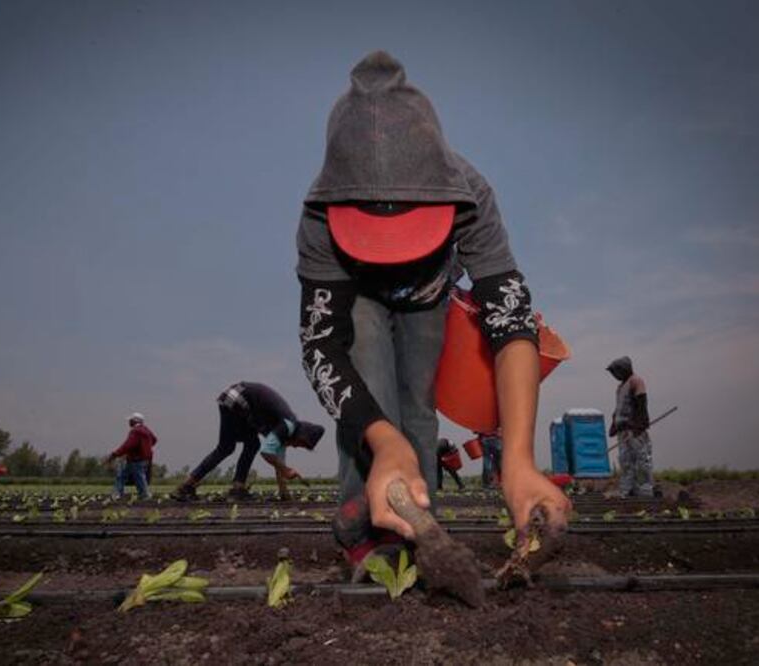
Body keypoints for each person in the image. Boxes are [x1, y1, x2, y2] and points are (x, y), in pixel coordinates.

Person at [296, 51, 571, 565]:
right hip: (359, 298)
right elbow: (320, 345)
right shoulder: (317, 218)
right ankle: (365, 521)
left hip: (429, 298)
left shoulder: (471, 193)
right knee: (373, 386)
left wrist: (518, 461)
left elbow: (510, 322)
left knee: (419, 407)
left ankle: (420, 522)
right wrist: (383, 440)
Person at [170, 382, 325, 501]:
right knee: (229, 447)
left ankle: (233, 489)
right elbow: (267, 452)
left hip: (242, 405)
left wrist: (284, 492)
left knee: (246, 445)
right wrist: (285, 469)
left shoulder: (285, 431)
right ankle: (189, 486)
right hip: (238, 399)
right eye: (301, 444)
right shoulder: (288, 425)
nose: (297, 447)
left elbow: (278, 462)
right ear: (301, 435)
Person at [607, 356, 653, 497]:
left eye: (616, 372)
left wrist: (641, 424)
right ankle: (627, 489)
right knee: (625, 460)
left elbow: (641, 403)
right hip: (623, 430)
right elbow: (619, 408)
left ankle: (644, 489)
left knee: (641, 458)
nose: (615, 375)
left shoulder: (636, 381)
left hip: (634, 429)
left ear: (624, 369)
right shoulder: (620, 387)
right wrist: (614, 424)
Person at [105, 412, 157, 500]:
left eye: (130, 420)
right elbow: (154, 440)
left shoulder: (135, 431)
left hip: (136, 459)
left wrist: (114, 454)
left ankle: (145, 495)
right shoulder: (146, 430)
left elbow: (128, 445)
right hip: (144, 459)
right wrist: (145, 447)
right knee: (122, 475)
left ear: (134, 421)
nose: (129, 422)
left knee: (138, 477)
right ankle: (117, 494)